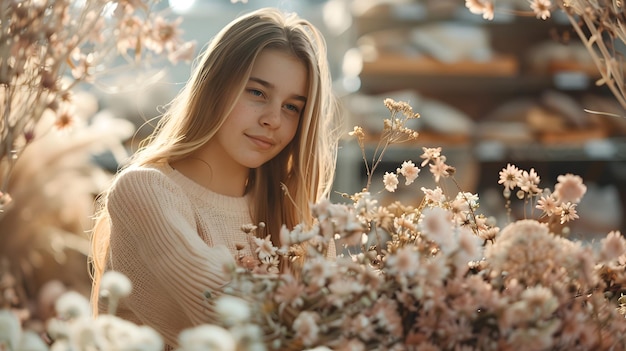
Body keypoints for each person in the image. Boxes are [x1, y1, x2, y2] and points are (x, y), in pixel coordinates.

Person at [89, 7, 339, 348]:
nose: (273, 119)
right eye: (257, 93)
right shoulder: (145, 191)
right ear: (215, 86)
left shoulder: (292, 216)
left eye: (292, 107)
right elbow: (230, 312)